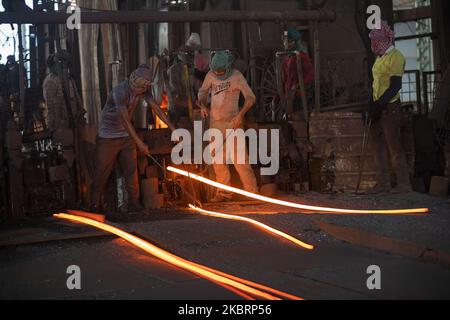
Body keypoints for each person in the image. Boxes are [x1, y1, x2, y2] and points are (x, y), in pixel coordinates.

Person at [92, 65, 174, 215]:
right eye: (138, 87)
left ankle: (134, 204)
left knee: (131, 171)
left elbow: (156, 108)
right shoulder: (120, 91)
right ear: (133, 81)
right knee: (101, 172)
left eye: (143, 88)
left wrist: (173, 129)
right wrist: (139, 143)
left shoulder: (144, 90)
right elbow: (125, 120)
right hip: (107, 137)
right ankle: (94, 205)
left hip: (126, 136)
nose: (140, 91)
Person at [198, 50, 258, 202]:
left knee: (240, 160)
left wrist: (240, 115)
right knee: (218, 160)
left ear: (228, 66)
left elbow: (251, 98)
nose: (218, 73)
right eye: (216, 71)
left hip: (233, 122)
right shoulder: (210, 75)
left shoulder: (237, 76)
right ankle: (224, 193)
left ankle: (252, 192)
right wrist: (203, 105)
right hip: (215, 123)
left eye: (221, 71)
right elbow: (203, 91)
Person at [366, 21, 412, 194]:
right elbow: (375, 83)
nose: (373, 44)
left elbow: (395, 86)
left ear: (384, 40)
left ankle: (403, 184)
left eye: (376, 41)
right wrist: (371, 104)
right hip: (379, 106)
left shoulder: (396, 57)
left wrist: (380, 104)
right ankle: (383, 183)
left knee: (394, 146)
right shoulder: (380, 58)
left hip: (390, 107)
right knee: (378, 146)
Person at [42, 51, 86, 133]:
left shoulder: (68, 78)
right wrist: (56, 123)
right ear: (52, 66)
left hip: (74, 118)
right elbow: (51, 104)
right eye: (59, 63)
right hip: (61, 122)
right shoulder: (50, 81)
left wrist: (80, 111)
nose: (62, 66)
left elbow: (76, 96)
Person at [281, 28, 315, 115]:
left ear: (296, 42)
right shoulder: (286, 57)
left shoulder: (302, 56)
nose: (286, 43)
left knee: (298, 119)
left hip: (299, 95)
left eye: (290, 41)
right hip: (288, 94)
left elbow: (311, 73)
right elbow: (284, 78)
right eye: (285, 41)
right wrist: (279, 94)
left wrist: (299, 85)